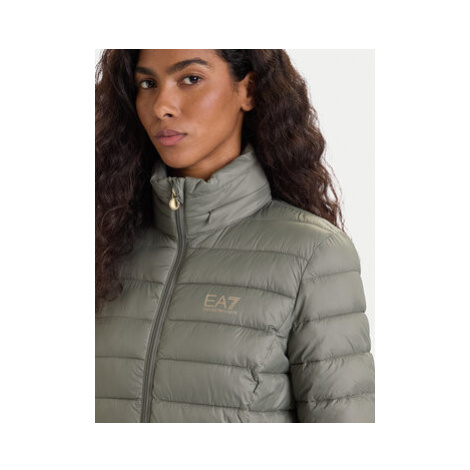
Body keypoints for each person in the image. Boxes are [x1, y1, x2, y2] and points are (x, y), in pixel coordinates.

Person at [95, 49, 375, 423]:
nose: (162, 106)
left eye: (191, 79)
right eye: (147, 83)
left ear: (248, 90)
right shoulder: (104, 245)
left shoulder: (313, 254)